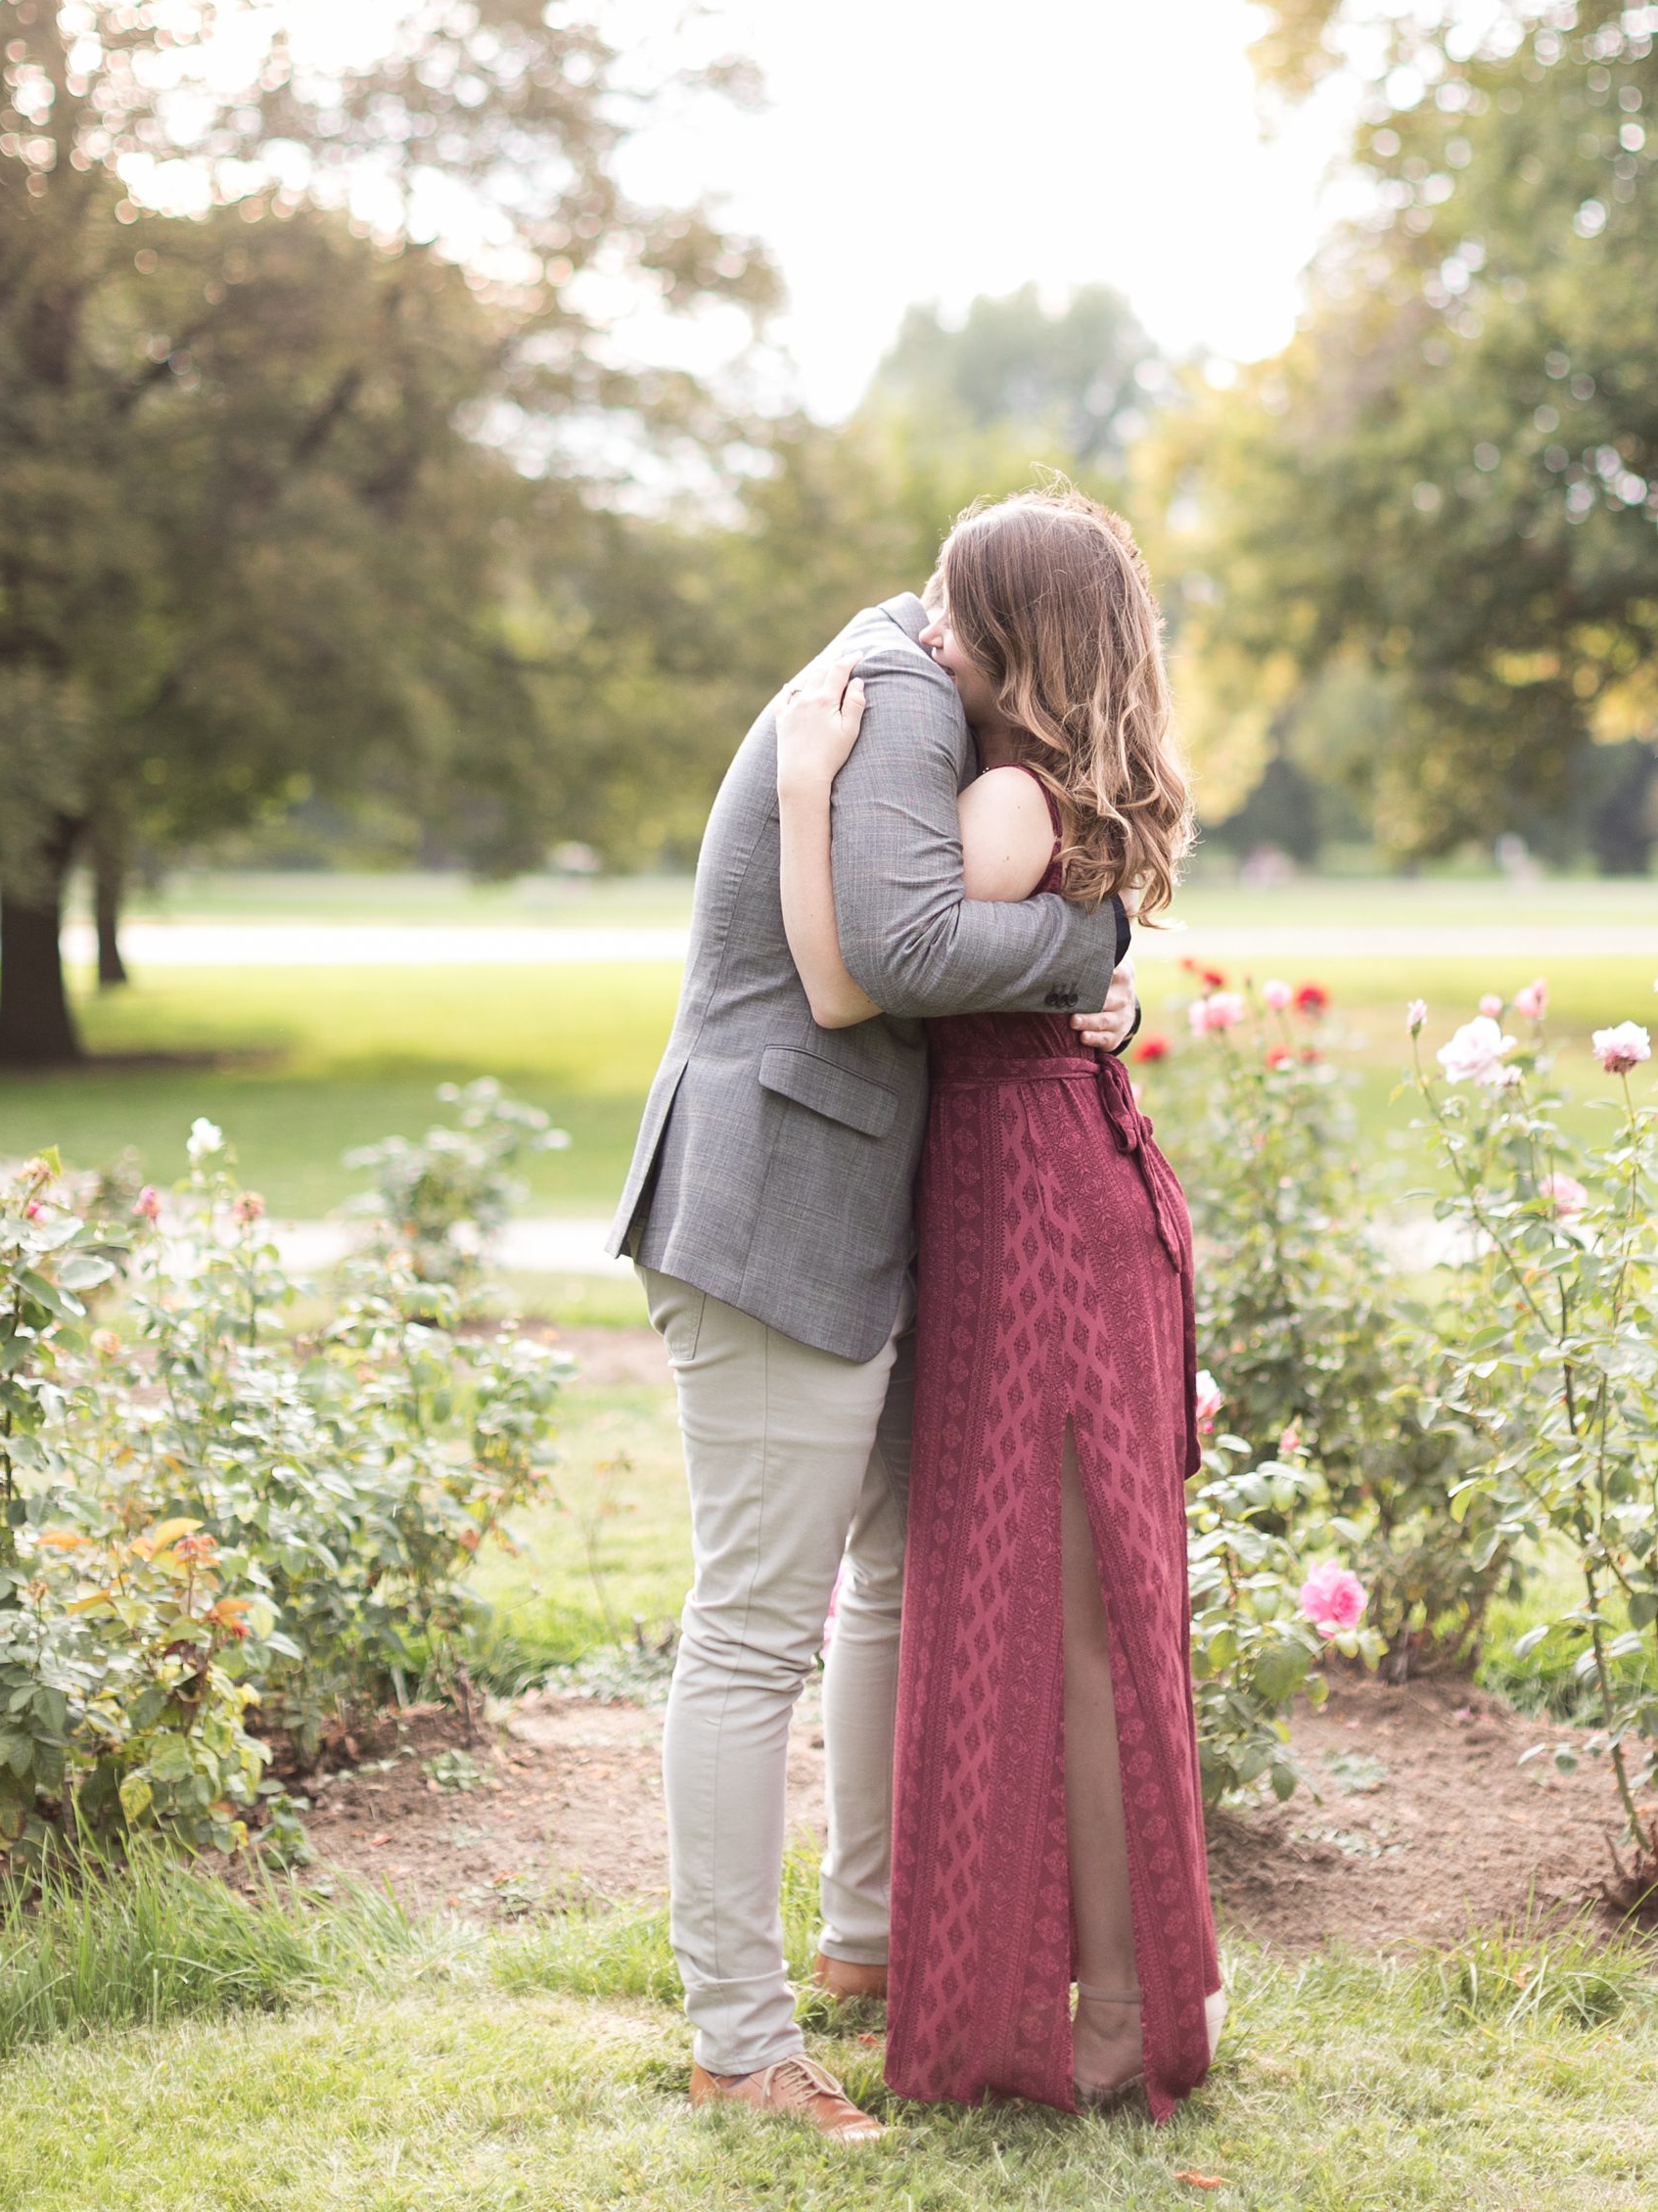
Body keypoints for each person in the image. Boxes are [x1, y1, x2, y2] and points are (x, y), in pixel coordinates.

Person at [608, 574, 1137, 2143]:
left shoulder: (908, 677)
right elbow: (895, 956)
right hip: (774, 1200)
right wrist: (1089, 937)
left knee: (891, 1581)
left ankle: (867, 1944)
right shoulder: (902, 695)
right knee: (756, 1626)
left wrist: (1090, 971)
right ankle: (738, 2044)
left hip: (847, 1206)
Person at [774, 486, 1221, 2119]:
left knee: (1073, 1617)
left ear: (1018, 638)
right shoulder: (1063, 792)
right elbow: (1052, 958)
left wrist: (806, 798)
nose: (932, 637)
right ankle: (1121, 1990)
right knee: (1082, 1606)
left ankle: (1108, 2017)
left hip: (1027, 1197)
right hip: (1054, 1173)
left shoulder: (1011, 802)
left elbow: (854, 977)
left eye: (958, 614)